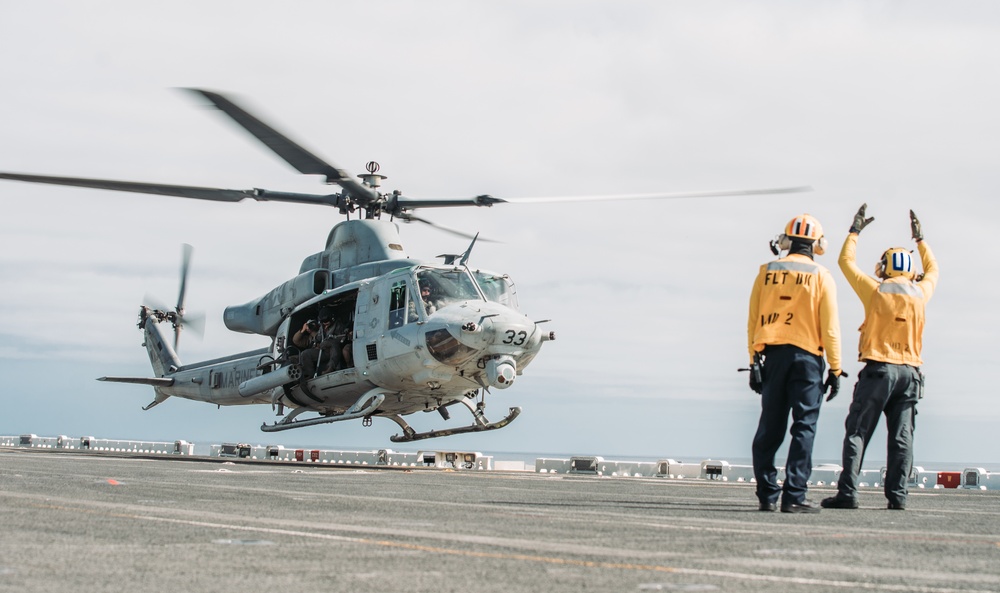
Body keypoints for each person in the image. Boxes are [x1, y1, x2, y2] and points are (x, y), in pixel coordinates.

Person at [822, 206, 939, 511]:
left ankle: (848, 493)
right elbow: (935, 270)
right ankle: (897, 496)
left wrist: (854, 232)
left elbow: (845, 262)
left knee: (858, 431)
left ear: (885, 268)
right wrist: (921, 240)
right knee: (902, 438)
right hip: (911, 373)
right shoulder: (921, 292)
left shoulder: (875, 290)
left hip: (878, 370)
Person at [747, 213, 844, 513]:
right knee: (803, 427)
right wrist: (836, 369)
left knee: (769, 427)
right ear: (818, 244)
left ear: (786, 241)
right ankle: (794, 496)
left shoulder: (766, 271)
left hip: (772, 356)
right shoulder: (822, 276)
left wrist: (753, 361)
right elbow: (830, 328)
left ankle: (766, 494)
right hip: (808, 360)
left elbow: (753, 320)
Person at [296, 306, 343, 379]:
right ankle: (309, 375)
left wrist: (328, 341)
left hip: (333, 350)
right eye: (323, 322)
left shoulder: (339, 326)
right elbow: (318, 337)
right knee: (305, 354)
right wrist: (316, 343)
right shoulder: (322, 327)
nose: (325, 323)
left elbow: (341, 339)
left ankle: (330, 368)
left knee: (333, 344)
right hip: (323, 351)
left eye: (326, 321)